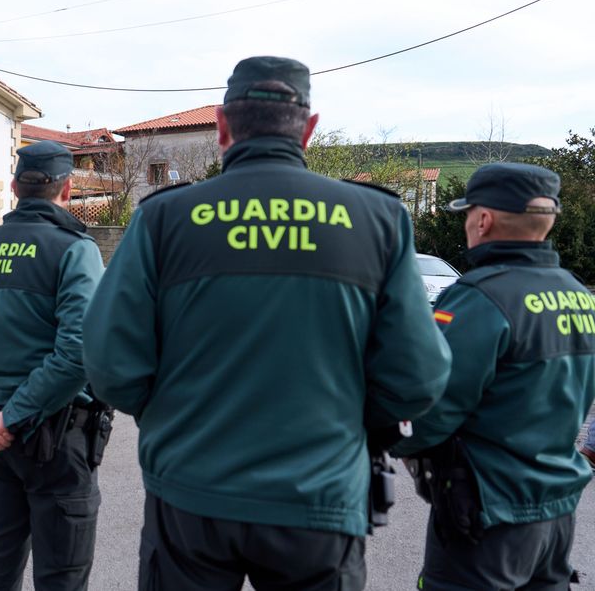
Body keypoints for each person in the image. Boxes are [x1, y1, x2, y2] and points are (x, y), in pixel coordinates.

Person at [82, 56, 451, 590]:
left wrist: (174, 419)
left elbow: (109, 362)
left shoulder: (162, 218)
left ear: (223, 125)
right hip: (321, 496)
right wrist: (348, 423)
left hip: (191, 492)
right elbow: (418, 374)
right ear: (308, 129)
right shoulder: (377, 219)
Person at [392, 163, 595, 589]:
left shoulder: (482, 296)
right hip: (556, 510)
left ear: (483, 220)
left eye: (467, 214)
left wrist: (391, 434)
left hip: (487, 514)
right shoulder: (578, 295)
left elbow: (433, 403)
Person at [0, 139, 108, 591]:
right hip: (55, 435)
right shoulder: (74, 250)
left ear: (14, 187)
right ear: (67, 190)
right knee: (61, 575)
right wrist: (12, 416)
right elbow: (78, 352)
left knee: (3, 556)